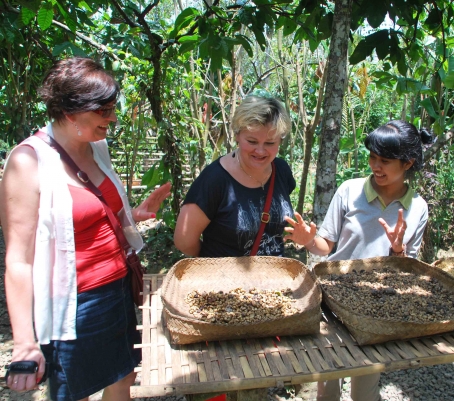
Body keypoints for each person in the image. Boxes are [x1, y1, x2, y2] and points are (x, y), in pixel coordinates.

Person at [0, 57, 171, 401]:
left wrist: (133, 215)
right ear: (70, 110)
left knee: (123, 377)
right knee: (73, 391)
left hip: (119, 288)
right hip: (74, 303)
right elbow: (19, 260)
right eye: (103, 111)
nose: (113, 119)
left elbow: (84, 216)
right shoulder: (27, 162)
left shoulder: (96, 147)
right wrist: (24, 344)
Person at [285, 119, 433, 401]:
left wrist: (398, 252)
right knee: (327, 386)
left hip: (376, 308)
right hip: (332, 299)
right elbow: (325, 246)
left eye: (386, 161)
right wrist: (306, 240)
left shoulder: (417, 208)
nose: (376, 166)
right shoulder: (349, 191)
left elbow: (408, 274)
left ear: (408, 163)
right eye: (373, 157)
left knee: (364, 391)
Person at [174, 95, 295, 257]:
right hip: (226, 279)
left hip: (273, 278)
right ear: (237, 135)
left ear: (280, 140)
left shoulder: (281, 170)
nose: (260, 151)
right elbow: (184, 241)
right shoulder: (215, 179)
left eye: (270, 143)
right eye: (252, 142)